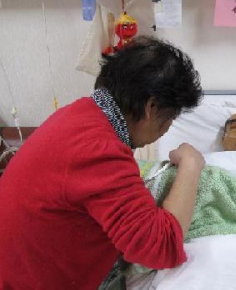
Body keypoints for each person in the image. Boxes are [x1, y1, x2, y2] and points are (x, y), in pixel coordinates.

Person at [0, 36, 205, 289]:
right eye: (171, 116)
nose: (168, 127)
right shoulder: (99, 150)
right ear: (151, 107)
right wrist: (191, 164)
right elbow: (162, 246)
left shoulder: (79, 114)